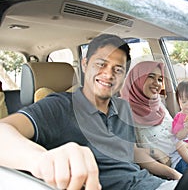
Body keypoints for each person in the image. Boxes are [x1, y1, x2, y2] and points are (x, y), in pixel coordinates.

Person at [0, 34, 178, 190]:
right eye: (101, 64)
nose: (108, 75)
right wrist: (42, 160)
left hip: (152, 184)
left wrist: (175, 175)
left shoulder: (123, 107)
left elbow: (131, 151)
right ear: (85, 65)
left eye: (118, 69)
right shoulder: (59, 106)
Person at [120, 61, 188, 175]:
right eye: (151, 77)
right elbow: (132, 152)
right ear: (136, 79)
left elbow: (174, 131)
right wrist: (155, 153)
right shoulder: (124, 111)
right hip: (176, 162)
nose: (157, 83)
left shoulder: (157, 103)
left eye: (160, 79)